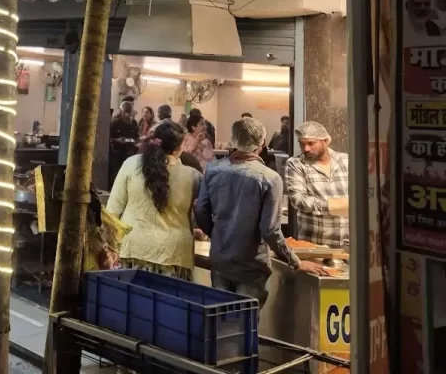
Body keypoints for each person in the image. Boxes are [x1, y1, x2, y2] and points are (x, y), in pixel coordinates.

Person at [195, 117, 325, 310]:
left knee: (220, 319)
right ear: (262, 143)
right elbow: (270, 230)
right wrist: (295, 261)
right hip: (251, 266)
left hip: (221, 260)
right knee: (245, 323)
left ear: (233, 140)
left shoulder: (214, 169)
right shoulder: (270, 179)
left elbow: (201, 209)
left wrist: (217, 235)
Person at [106, 121, 201, 279]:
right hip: (174, 255)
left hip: (133, 249)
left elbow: (112, 212)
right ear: (181, 146)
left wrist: (109, 247)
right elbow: (204, 211)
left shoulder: (130, 165)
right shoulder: (192, 176)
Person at [284, 121, 349, 247]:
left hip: (348, 243)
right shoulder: (296, 164)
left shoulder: (346, 161)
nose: (306, 149)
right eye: (302, 144)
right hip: (315, 244)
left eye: (311, 143)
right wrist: (332, 205)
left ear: (325, 141)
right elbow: (298, 199)